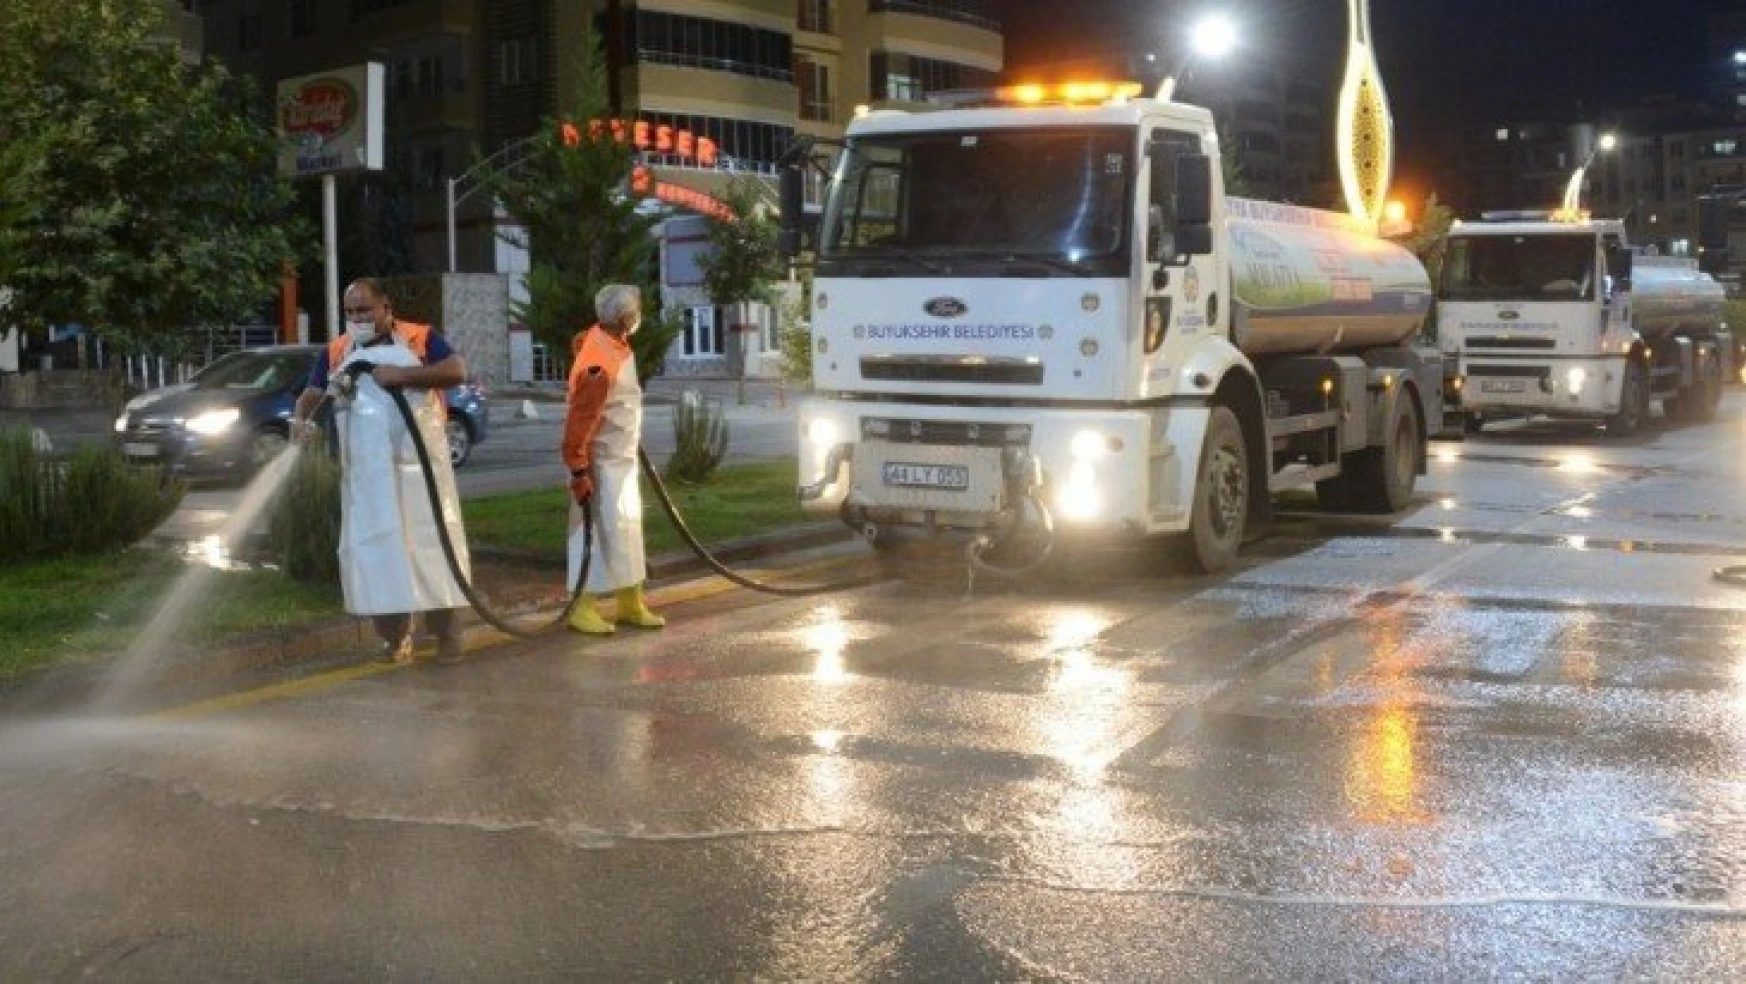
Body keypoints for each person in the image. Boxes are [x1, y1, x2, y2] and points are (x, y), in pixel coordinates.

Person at [290, 278, 472, 663]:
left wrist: (403, 376)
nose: (357, 318)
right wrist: (300, 419)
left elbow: (456, 370)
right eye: (350, 311)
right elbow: (313, 392)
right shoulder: (338, 350)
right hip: (368, 473)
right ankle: (394, 636)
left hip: (420, 469)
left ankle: (446, 633)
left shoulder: (420, 338)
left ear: (386, 308)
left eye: (364, 309)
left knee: (431, 544)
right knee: (379, 550)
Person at [561, 283, 665, 635]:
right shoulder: (599, 361)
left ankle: (629, 602)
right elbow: (581, 421)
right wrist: (579, 470)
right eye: (636, 310)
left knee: (625, 532)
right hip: (599, 464)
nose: (639, 316)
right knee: (592, 534)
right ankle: (581, 606)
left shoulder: (614, 344)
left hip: (621, 461)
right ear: (625, 317)